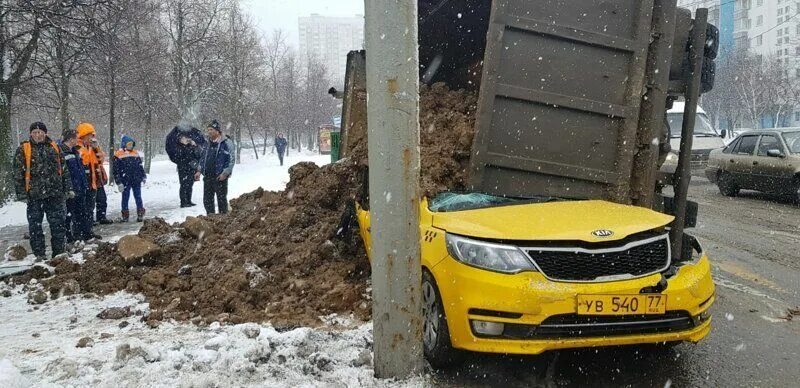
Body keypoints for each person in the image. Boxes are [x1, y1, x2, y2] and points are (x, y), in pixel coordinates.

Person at [13, 122, 74, 260]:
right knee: (35, 227)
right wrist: (21, 193)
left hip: (55, 194)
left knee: (58, 225)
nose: (38, 135)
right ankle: (39, 255)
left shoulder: (54, 147)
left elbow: (64, 170)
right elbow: (17, 174)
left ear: (45, 133)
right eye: (35, 132)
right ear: (30, 134)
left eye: (40, 132)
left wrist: (68, 188)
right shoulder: (24, 149)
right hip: (34, 196)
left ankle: (59, 253)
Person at [60, 130, 95, 243]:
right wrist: (68, 187)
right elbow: (66, 173)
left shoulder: (75, 151)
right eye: (76, 138)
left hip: (79, 187)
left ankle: (82, 234)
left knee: (81, 212)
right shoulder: (62, 152)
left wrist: (84, 184)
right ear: (71, 139)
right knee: (70, 214)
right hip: (71, 188)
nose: (77, 140)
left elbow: (80, 170)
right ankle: (70, 237)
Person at [195, 120, 234, 214]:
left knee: (221, 201)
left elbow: (231, 159)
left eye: (211, 129)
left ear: (217, 131)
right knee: (207, 201)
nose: (209, 132)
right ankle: (211, 219)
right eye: (208, 130)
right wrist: (199, 171)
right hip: (208, 176)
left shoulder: (226, 143)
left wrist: (225, 173)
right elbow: (203, 158)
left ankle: (223, 220)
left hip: (220, 177)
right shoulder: (207, 143)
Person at [76, 122, 107, 234]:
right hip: (84, 183)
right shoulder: (78, 148)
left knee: (90, 207)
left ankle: (88, 232)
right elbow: (83, 164)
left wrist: (96, 148)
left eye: (93, 135)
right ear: (83, 136)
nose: (92, 138)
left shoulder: (92, 147)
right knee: (83, 209)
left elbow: (101, 160)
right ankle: (83, 232)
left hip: (93, 182)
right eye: (90, 135)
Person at [166, 125, 205, 208]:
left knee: (190, 183)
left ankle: (189, 200)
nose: (186, 140)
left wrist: (194, 145)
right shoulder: (178, 147)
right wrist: (185, 146)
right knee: (184, 184)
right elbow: (179, 155)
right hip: (183, 166)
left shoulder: (191, 145)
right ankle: (183, 202)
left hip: (191, 166)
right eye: (184, 139)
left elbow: (196, 154)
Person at [113, 135, 147, 222]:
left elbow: (140, 166)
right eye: (128, 144)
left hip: (136, 179)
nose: (130, 146)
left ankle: (140, 213)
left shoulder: (135, 153)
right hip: (125, 181)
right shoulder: (118, 155)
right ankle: (125, 215)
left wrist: (143, 176)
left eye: (131, 144)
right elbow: (116, 170)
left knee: (138, 197)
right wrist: (118, 182)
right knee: (125, 198)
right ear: (124, 145)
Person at [92, 137, 113, 225]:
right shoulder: (86, 151)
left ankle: (101, 217)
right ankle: (91, 219)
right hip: (92, 179)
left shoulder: (97, 151)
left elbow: (101, 159)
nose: (94, 144)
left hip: (98, 178)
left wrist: (96, 148)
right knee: (91, 202)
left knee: (102, 199)